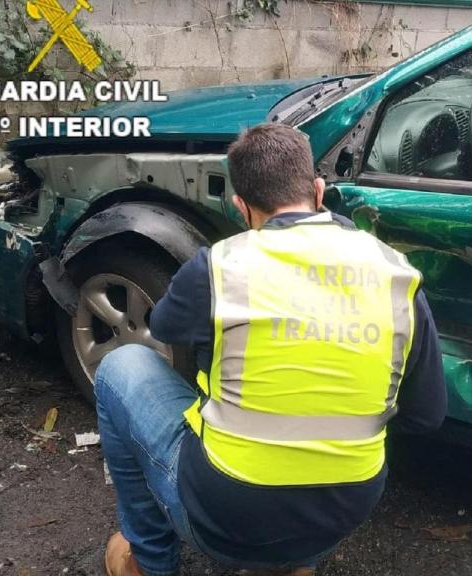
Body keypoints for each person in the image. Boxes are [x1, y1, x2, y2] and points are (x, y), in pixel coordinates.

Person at [94, 123, 447, 576]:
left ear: (241, 207)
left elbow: (164, 326)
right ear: (319, 191)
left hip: (225, 519)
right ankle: (297, 564)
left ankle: (148, 561)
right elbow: (425, 415)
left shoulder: (219, 267)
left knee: (122, 365)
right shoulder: (395, 274)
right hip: (340, 513)